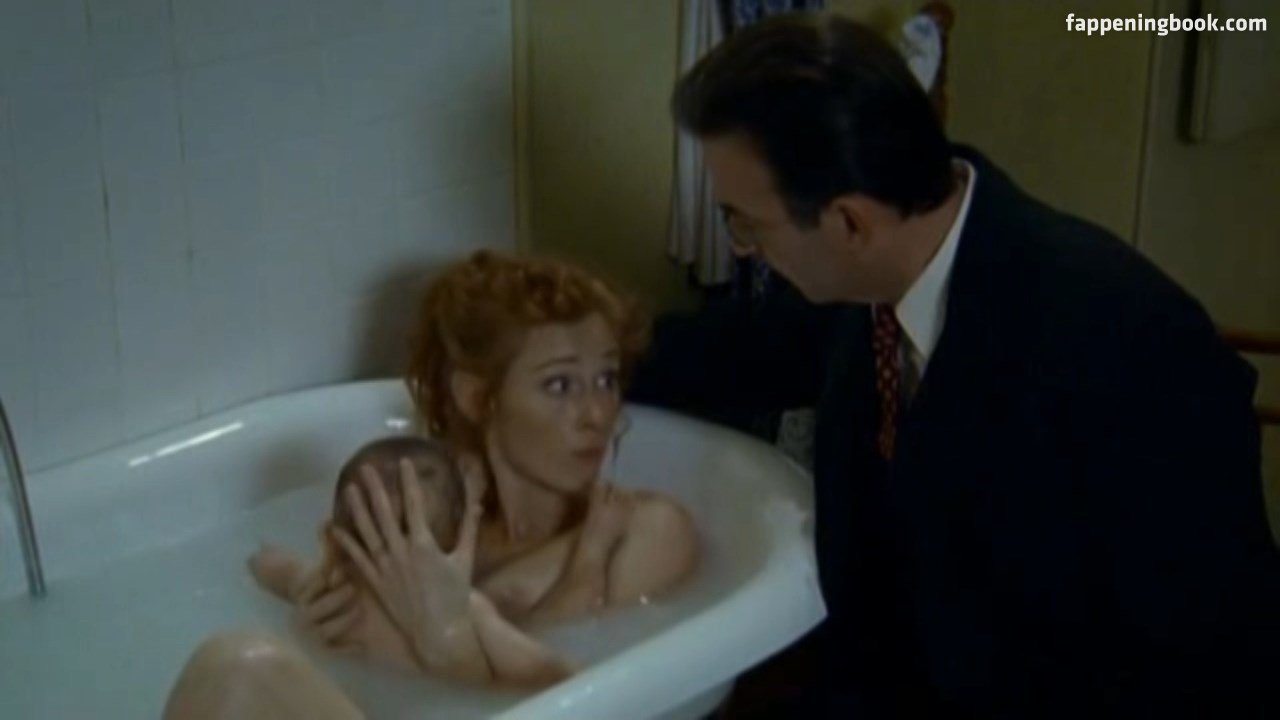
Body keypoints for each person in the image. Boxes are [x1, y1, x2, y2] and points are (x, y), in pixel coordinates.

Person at [627, 12, 1280, 718]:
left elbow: (1210, 659)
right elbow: (739, 351)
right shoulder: (877, 270)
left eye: (745, 222)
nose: (742, 246)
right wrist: (575, 360)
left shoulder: (1128, 351)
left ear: (849, 223)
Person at [247, 436, 574, 686]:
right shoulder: (467, 612)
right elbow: (563, 684)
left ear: (330, 541)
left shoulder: (329, 593)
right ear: (457, 550)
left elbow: (267, 564)